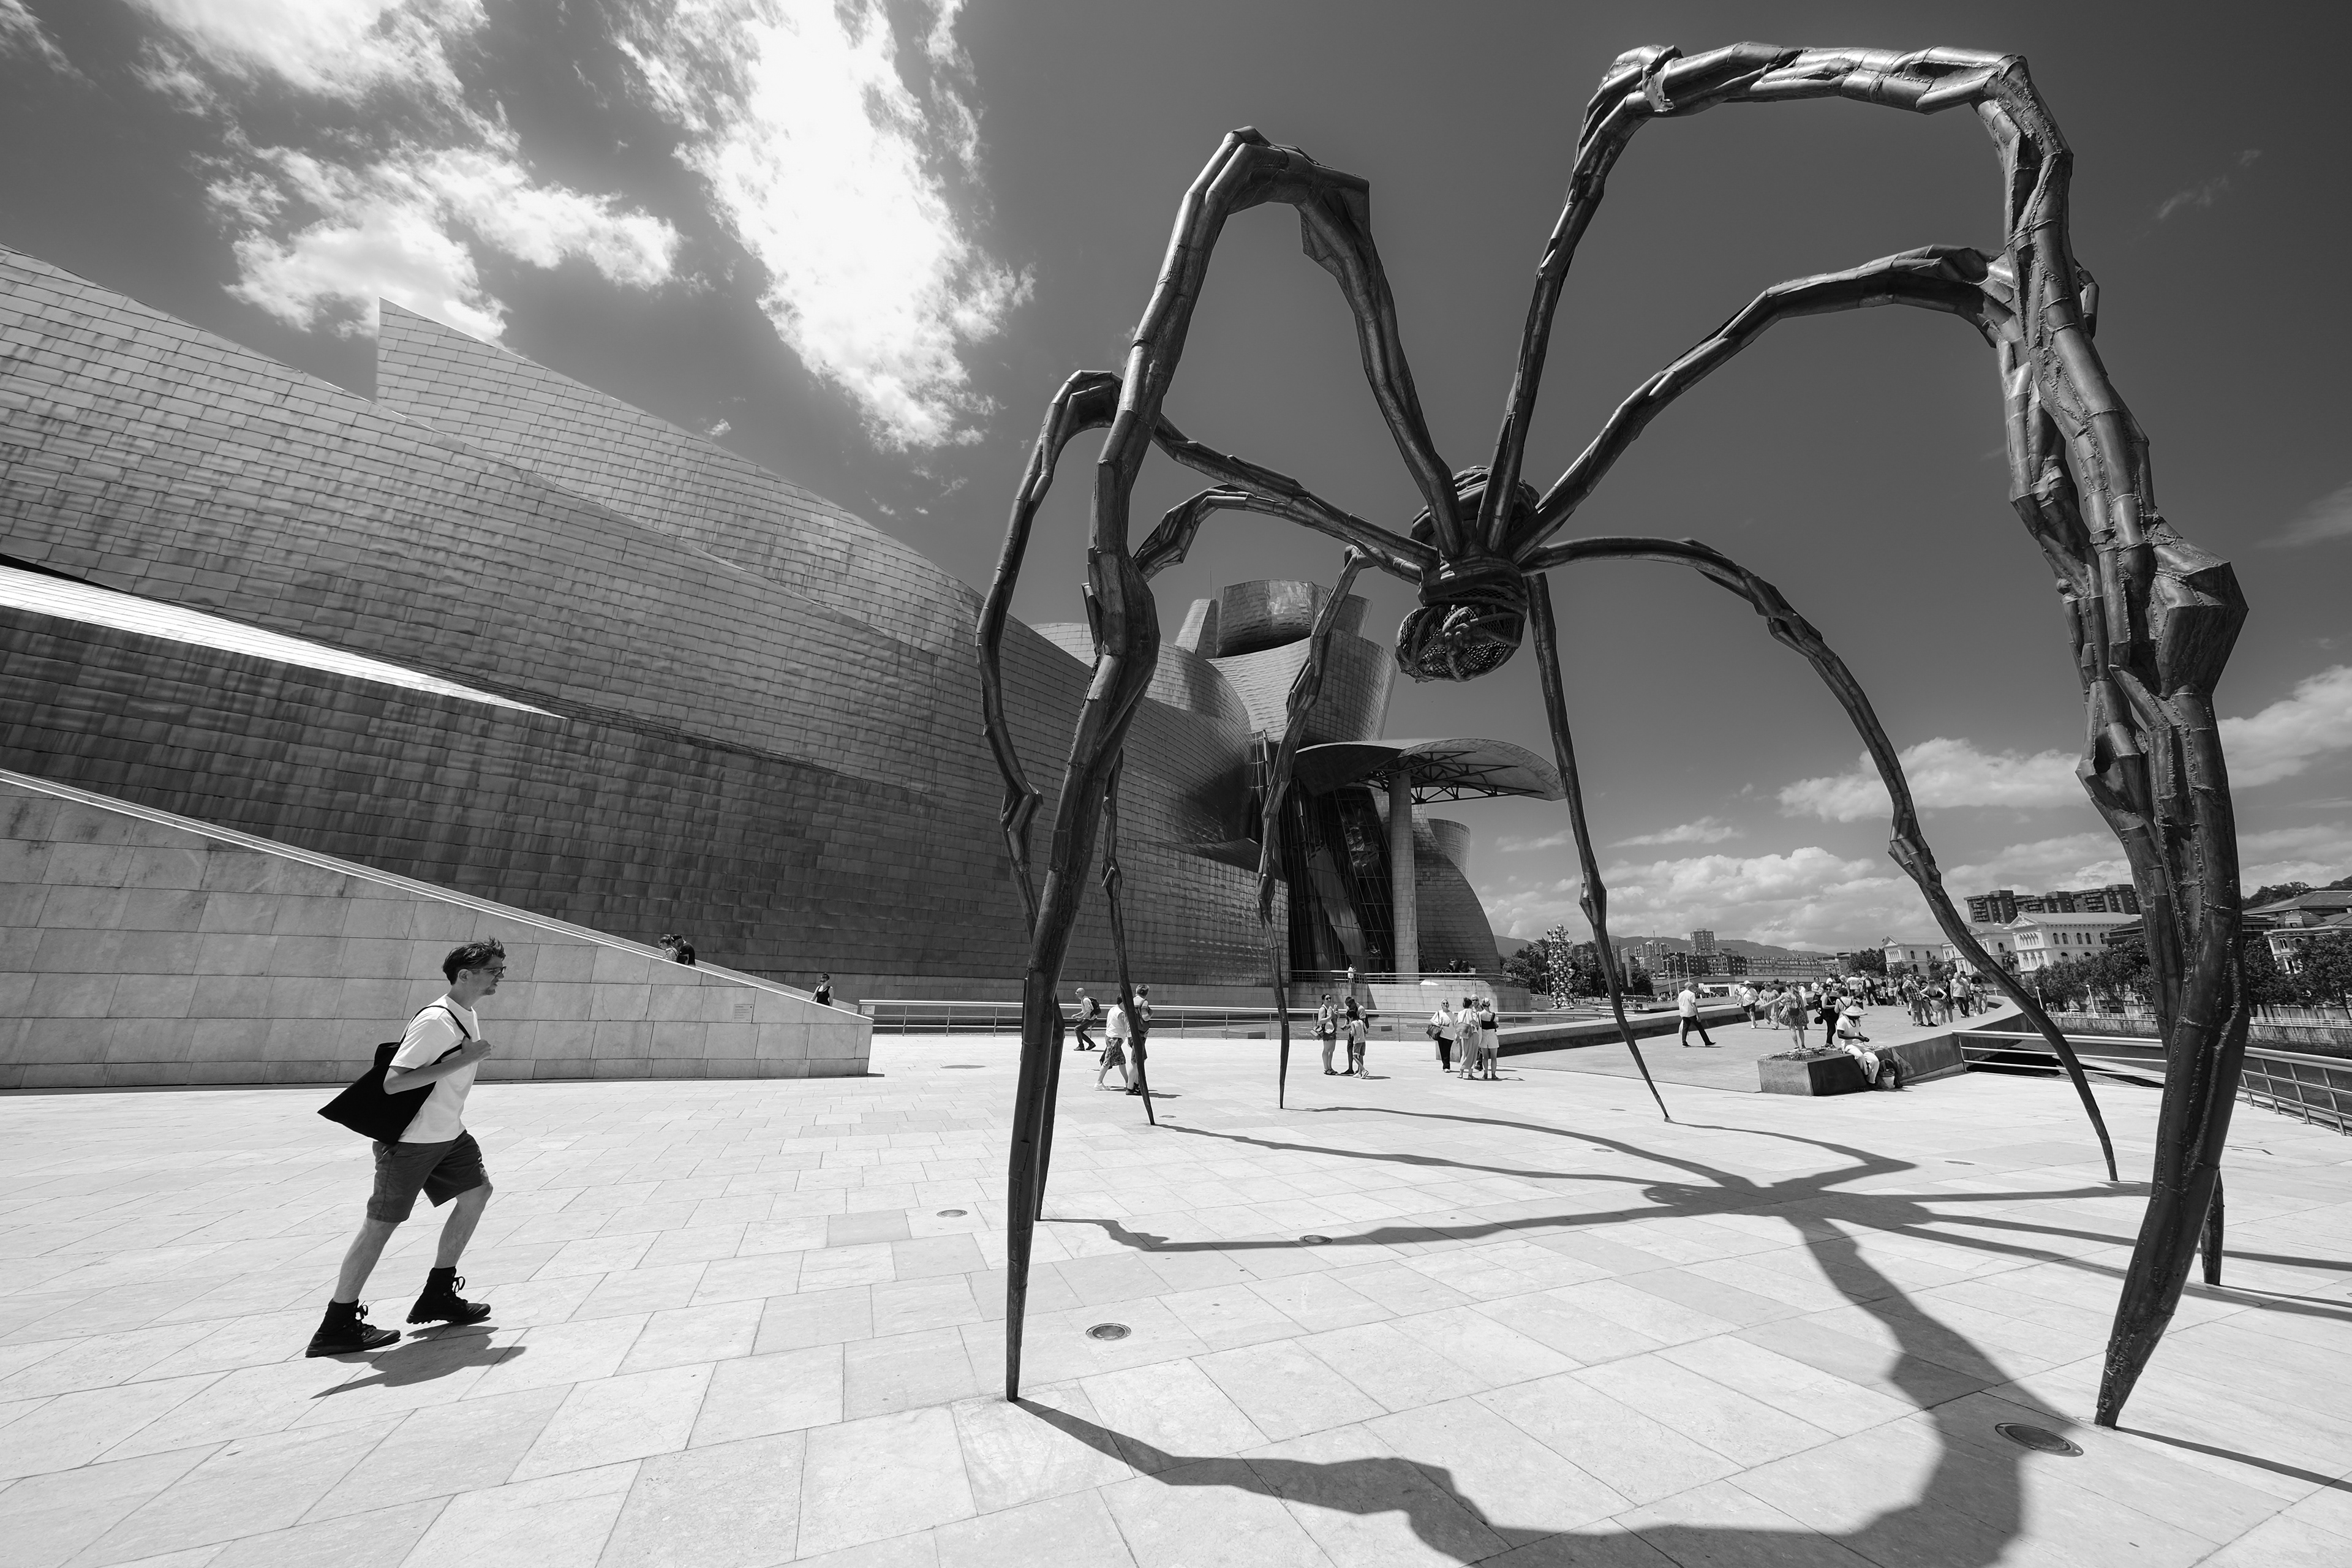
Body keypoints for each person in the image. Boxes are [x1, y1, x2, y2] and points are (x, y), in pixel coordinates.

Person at [308, 940, 503, 1357]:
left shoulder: (466, 1015)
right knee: (381, 1224)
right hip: (412, 1141)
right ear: (464, 974)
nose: (498, 978)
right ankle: (336, 1323)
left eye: (500, 971)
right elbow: (395, 1081)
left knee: (477, 1194)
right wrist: (466, 1058)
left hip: (449, 1134)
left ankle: (438, 1294)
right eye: (492, 971)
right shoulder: (437, 1020)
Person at [1098, 1000, 1132, 1090]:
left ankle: (1128, 1082)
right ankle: (1099, 1083)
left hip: (1111, 1037)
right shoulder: (1120, 1013)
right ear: (1122, 1003)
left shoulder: (1113, 1009)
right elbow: (1125, 1026)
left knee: (1122, 1061)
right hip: (1115, 1038)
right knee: (1107, 1061)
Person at [1676, 984, 1716, 1048]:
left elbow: (1679, 1003)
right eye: (1692, 987)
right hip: (1691, 1013)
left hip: (1684, 1013)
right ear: (1689, 987)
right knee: (1700, 1028)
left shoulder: (1681, 994)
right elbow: (1694, 1005)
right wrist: (1698, 1015)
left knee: (1685, 1028)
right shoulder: (1691, 994)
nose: (1693, 988)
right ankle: (1707, 1042)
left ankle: (1684, 1042)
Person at [1474, 995, 1500, 1079]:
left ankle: (1485, 1074)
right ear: (1489, 1005)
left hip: (1483, 1035)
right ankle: (1493, 1074)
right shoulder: (1493, 1015)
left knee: (1485, 1057)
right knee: (1494, 1057)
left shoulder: (1479, 1014)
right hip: (1492, 1035)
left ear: (1482, 1004)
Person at [1430, 997, 1458, 1072]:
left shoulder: (1452, 1014)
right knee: (1443, 1051)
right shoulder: (1439, 1013)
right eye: (1444, 1003)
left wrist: (1457, 1034)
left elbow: (1455, 1024)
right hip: (1441, 1035)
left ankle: (1446, 1066)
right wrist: (1437, 1024)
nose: (1446, 1004)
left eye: (1447, 1003)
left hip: (1450, 1036)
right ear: (1441, 1005)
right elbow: (1432, 1020)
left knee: (1447, 1051)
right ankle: (1445, 1066)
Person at [1316, 993, 1341, 1074]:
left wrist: (1336, 1013)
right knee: (1326, 1050)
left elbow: (1335, 1018)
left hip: (1332, 1031)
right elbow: (1320, 1020)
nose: (1329, 1000)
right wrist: (1330, 1017)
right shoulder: (1323, 1009)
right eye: (1327, 999)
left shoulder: (1330, 1008)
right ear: (1323, 1000)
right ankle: (1326, 1068)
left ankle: (1330, 1067)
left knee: (1332, 1050)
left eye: (1330, 998)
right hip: (1326, 1031)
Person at [1343, 997, 1367, 1076]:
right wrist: (1345, 1025)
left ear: (1354, 1003)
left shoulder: (1361, 1009)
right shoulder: (1348, 1009)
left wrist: (1350, 1026)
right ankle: (1350, 1069)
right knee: (1349, 1048)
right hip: (1352, 1030)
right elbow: (1348, 1018)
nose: (1349, 1008)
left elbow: (1361, 1023)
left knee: (1359, 1054)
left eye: (1350, 1006)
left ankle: (1360, 1070)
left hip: (1359, 1033)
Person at [1072, 987, 1100, 1051]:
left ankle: (1081, 1046)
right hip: (1090, 1019)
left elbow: (1088, 1012)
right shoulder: (1084, 1000)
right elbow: (1084, 1011)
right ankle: (1091, 1044)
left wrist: (1081, 1018)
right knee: (1079, 1031)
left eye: (1077, 992)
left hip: (1090, 1020)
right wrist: (1077, 1015)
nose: (1076, 993)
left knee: (1077, 1029)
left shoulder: (1085, 1000)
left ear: (1081, 993)